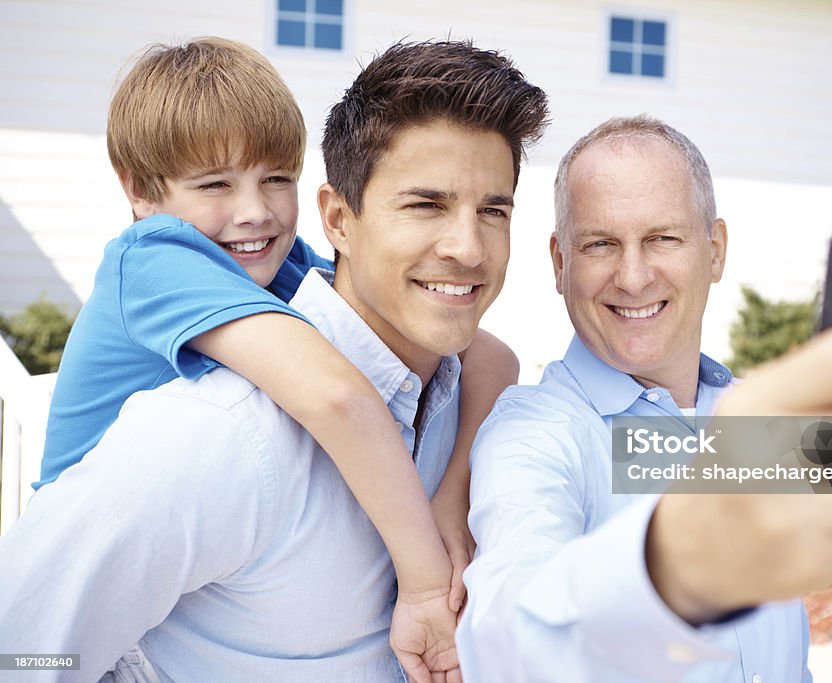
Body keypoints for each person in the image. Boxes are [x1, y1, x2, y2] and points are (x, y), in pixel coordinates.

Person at [0, 40, 548, 681]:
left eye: (493, 210)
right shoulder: (178, 327)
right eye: (425, 204)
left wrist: (452, 498)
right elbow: (22, 652)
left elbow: (495, 358)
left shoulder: (283, 272)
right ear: (340, 219)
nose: (254, 212)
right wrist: (427, 583)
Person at [455, 116, 832, 681]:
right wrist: (676, 564)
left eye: (663, 238)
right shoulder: (532, 432)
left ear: (715, 251)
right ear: (561, 263)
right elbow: (504, 638)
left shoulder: (762, 414)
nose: (632, 277)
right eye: (601, 244)